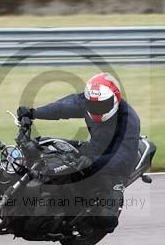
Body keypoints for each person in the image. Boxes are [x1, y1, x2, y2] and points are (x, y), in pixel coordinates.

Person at [17, 72, 141, 232]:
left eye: (101, 106)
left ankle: (78, 224)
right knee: (44, 144)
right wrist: (33, 113)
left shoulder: (129, 120)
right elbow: (62, 108)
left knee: (107, 219)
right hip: (93, 149)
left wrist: (95, 162)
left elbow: (124, 159)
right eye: (93, 105)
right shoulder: (91, 100)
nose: (96, 109)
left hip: (113, 165)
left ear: (115, 100)